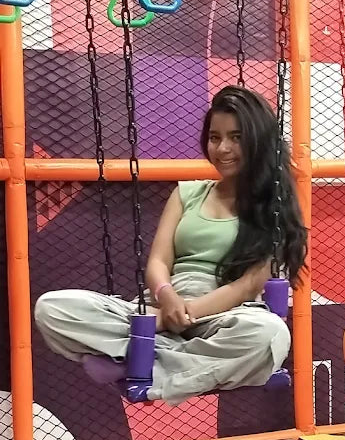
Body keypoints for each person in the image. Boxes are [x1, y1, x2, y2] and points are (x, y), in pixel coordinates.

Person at [35, 86, 308, 405]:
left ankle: (145, 367)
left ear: (258, 142)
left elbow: (248, 286)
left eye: (236, 137)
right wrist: (167, 300)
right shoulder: (187, 193)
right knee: (53, 307)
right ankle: (165, 360)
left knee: (268, 335)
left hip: (223, 314)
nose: (223, 148)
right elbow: (158, 263)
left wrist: (179, 316)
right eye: (215, 137)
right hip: (161, 301)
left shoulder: (274, 206)